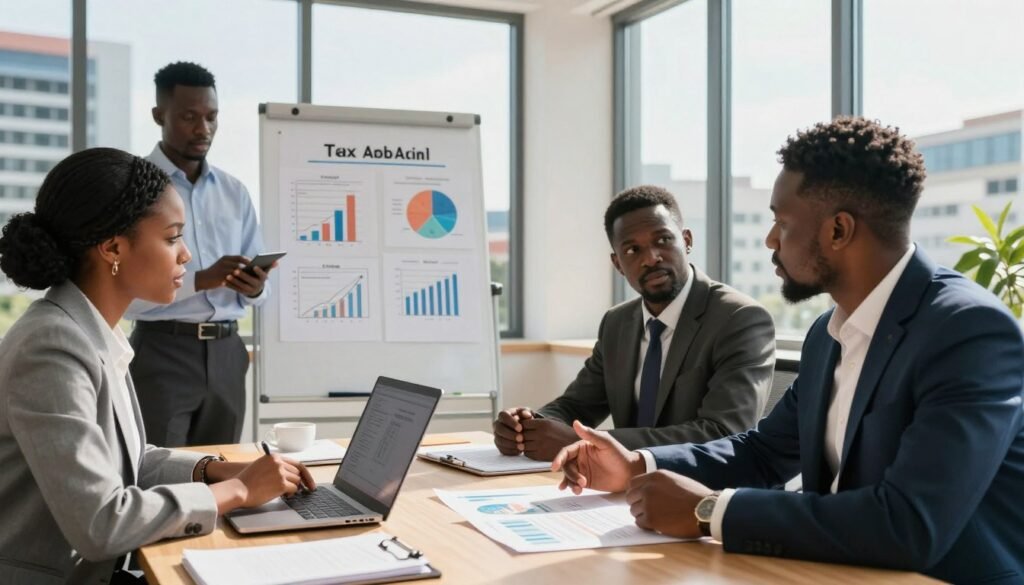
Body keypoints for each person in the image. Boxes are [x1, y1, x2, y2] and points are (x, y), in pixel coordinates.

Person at [552, 117, 1024, 584]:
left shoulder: (966, 331)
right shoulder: (828, 334)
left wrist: (709, 510)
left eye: (782, 222)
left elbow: (909, 523)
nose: (771, 240)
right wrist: (637, 465)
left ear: (838, 231)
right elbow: (764, 452)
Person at [0, 148, 316, 585]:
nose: (186, 256)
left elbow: (128, 461)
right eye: (172, 238)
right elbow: (102, 522)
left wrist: (215, 469)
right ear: (112, 247)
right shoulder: (51, 347)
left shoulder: (90, 330)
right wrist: (239, 491)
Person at [494, 186, 776, 461]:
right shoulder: (617, 323)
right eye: (632, 250)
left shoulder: (739, 318)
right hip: (625, 490)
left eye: (663, 240)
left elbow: (723, 433)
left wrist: (584, 442)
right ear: (617, 264)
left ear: (687, 240)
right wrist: (527, 426)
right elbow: (577, 405)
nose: (650, 258)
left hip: (705, 493)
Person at [126, 61, 271, 447]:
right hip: (162, 352)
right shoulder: (133, 187)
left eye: (211, 117)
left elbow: (263, 292)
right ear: (159, 115)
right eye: (189, 117)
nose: (203, 129)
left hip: (228, 351)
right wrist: (203, 279)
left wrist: (254, 287)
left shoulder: (235, 191)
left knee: (222, 473)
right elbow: (124, 296)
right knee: (158, 476)